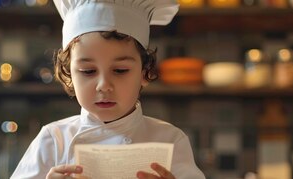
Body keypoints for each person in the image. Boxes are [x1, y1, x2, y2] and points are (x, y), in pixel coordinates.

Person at [11, 0, 205, 178]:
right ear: (69, 75)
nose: (103, 85)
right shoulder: (53, 140)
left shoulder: (170, 140)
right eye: (88, 71)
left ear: (144, 73)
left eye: (120, 70)